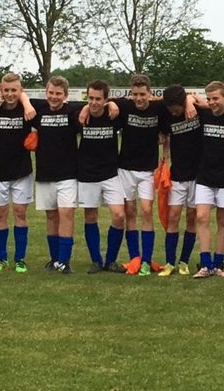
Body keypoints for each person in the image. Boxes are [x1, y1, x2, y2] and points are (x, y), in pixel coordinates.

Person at [114, 75, 169, 276]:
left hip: (148, 169)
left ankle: (146, 260)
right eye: (135, 94)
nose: (138, 98)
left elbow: (167, 132)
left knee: (146, 211)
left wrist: (166, 152)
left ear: (150, 93)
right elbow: (106, 101)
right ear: (131, 93)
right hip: (125, 168)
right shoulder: (124, 106)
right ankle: (134, 258)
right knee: (130, 211)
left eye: (142, 94)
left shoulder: (159, 108)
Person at [26, 75, 81, 274]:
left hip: (68, 173)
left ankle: (65, 261)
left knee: (66, 214)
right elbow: (18, 94)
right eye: (51, 93)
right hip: (45, 173)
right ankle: (54, 258)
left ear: (66, 95)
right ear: (46, 92)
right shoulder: (39, 109)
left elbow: (94, 104)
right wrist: (25, 101)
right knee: (51, 216)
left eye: (58, 94)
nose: (54, 97)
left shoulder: (72, 111)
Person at [76, 79, 127, 274]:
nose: (93, 102)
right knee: (91, 216)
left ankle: (111, 261)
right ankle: (96, 260)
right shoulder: (80, 114)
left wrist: (112, 104)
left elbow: (131, 101)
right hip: (87, 174)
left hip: (111, 174)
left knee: (119, 215)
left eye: (98, 99)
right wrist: (84, 108)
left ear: (105, 99)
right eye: (90, 98)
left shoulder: (114, 114)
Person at [193, 81, 224, 278]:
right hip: (204, 175)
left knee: (223, 220)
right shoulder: (204, 115)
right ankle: (205, 264)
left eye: (216, 98)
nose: (212, 102)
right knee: (201, 217)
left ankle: (219, 263)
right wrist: (191, 101)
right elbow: (187, 97)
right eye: (209, 99)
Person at [0, 73, 33, 273]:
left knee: (20, 213)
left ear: (20, 91)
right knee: (0, 214)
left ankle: (20, 259)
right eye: (6, 90)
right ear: (1, 90)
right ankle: (1, 258)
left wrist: (27, 102)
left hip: (22, 172)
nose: (10, 94)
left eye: (14, 90)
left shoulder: (28, 109)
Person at [158, 84, 202, 277]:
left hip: (198, 175)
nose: (173, 112)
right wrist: (166, 149)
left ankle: (184, 262)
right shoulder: (166, 114)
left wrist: (191, 100)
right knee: (173, 217)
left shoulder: (197, 110)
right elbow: (165, 134)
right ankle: (169, 262)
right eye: (170, 109)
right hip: (177, 174)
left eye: (176, 109)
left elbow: (211, 105)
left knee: (192, 218)